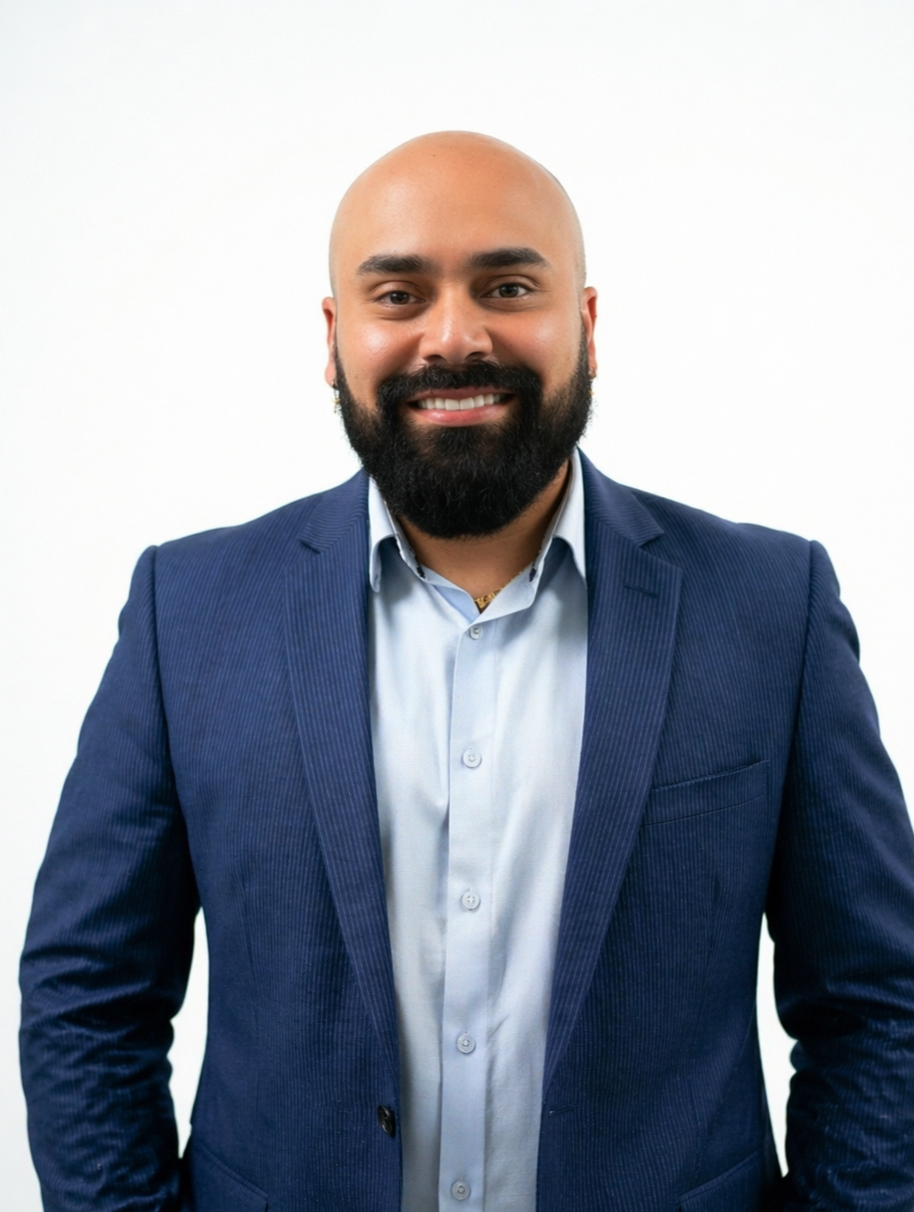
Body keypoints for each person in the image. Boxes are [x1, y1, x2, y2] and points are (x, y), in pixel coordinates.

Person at [19, 131, 914, 1212]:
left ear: (586, 325)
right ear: (334, 337)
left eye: (507, 287)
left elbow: (878, 1002)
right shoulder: (191, 612)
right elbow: (89, 996)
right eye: (398, 295)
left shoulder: (769, 609)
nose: (454, 336)